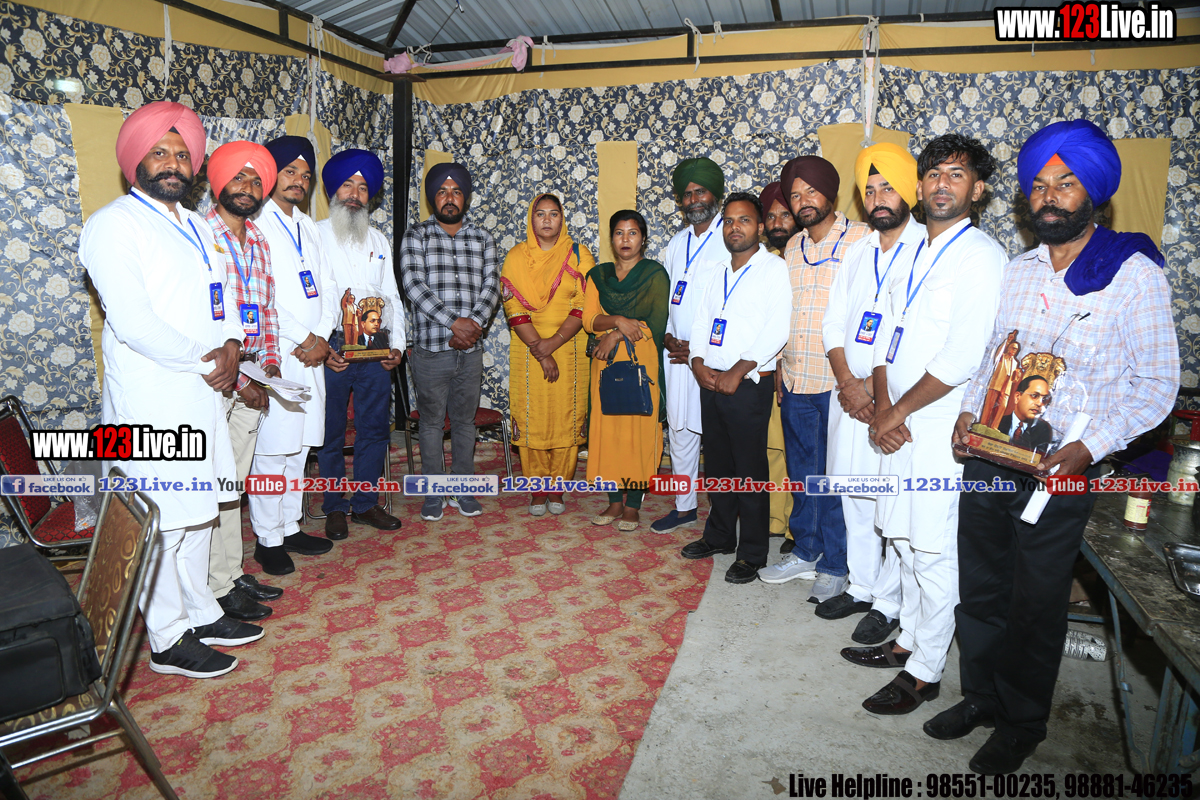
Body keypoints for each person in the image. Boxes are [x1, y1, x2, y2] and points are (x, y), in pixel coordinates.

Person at [930, 119, 1179, 774]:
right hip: (991, 459)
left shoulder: (1133, 275)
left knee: (1035, 605)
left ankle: (1020, 722)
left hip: (1060, 471)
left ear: (1092, 192)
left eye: (1065, 184)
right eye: (1039, 185)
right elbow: (995, 356)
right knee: (981, 589)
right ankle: (980, 697)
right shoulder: (1019, 271)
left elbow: (1158, 385)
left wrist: (1089, 447)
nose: (1049, 196)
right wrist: (967, 412)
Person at [81, 101, 263, 678]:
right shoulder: (114, 224)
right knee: (162, 518)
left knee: (198, 511)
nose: (172, 163)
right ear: (135, 159)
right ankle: (166, 638)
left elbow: (223, 297)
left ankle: (200, 612)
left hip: (202, 390)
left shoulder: (196, 225)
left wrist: (231, 343)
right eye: (159, 152)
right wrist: (209, 360)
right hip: (152, 398)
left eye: (182, 154)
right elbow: (134, 322)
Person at [839, 133, 1007, 716]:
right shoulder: (911, 252)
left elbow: (963, 356)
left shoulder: (980, 256)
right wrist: (884, 407)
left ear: (978, 190)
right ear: (919, 186)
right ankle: (908, 639)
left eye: (956, 175)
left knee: (933, 550)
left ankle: (926, 672)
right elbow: (883, 339)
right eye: (934, 174)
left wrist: (898, 411)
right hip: (899, 421)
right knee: (904, 541)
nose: (942, 184)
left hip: (938, 428)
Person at [812, 143, 925, 641]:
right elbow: (832, 322)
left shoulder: (925, 249)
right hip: (851, 398)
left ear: (911, 192)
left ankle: (891, 602)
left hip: (899, 402)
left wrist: (877, 398)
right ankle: (861, 586)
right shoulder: (857, 253)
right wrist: (848, 384)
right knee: (854, 496)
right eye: (871, 190)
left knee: (893, 506)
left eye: (888, 188)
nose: (879, 198)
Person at [760, 155, 870, 600]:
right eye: (796, 194)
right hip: (796, 376)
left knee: (836, 478)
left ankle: (837, 564)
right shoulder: (791, 247)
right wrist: (778, 366)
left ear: (831, 193)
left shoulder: (863, 239)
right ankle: (806, 551)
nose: (803, 201)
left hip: (839, 382)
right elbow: (785, 311)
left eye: (811, 191)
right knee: (803, 473)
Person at [680, 193, 792, 582]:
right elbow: (700, 323)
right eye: (728, 221)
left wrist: (740, 369)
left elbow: (778, 327)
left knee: (749, 469)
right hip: (710, 380)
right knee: (718, 465)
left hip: (747, 383)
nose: (734, 227)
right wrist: (697, 363)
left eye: (743, 220)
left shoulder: (773, 269)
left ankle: (753, 552)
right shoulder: (716, 272)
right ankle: (720, 536)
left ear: (759, 227)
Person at [203, 140, 289, 622]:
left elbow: (267, 309)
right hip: (219, 379)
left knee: (232, 484)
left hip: (254, 373)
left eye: (257, 180)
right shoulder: (200, 235)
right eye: (239, 176)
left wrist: (270, 366)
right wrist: (239, 381)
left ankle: (231, 573)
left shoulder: (257, 238)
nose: (248, 187)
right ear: (218, 181)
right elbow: (204, 318)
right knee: (216, 485)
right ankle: (216, 586)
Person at [248, 134, 339, 577]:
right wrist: (304, 337)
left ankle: (288, 527)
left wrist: (321, 335)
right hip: (277, 354)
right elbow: (258, 295)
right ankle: (267, 540)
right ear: (272, 174)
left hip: (311, 355)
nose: (298, 181)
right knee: (272, 450)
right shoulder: (255, 223)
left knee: (300, 446)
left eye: (305, 175)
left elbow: (329, 286)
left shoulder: (309, 226)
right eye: (290, 172)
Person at [400, 162, 501, 521]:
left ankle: (463, 489)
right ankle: (433, 492)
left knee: (464, 423)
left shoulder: (483, 238)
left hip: (470, 351)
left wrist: (473, 325)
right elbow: (413, 285)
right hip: (430, 349)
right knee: (430, 424)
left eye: (456, 191)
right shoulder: (416, 235)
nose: (449, 197)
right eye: (442, 191)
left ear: (465, 197)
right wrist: (455, 324)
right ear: (432, 197)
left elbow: (492, 285)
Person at [316, 149, 406, 535]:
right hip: (332, 347)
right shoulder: (314, 235)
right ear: (333, 190)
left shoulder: (379, 239)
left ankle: (366, 503)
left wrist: (398, 344)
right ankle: (335, 506)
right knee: (330, 431)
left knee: (374, 428)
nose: (355, 194)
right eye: (348, 185)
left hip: (374, 347)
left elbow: (392, 296)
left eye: (363, 188)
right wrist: (322, 345)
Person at [501, 193, 594, 515]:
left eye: (554, 214)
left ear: (562, 219)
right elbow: (512, 306)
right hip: (528, 348)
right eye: (540, 214)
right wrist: (542, 352)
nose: (547, 220)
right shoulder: (516, 257)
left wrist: (553, 343)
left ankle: (558, 489)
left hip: (570, 349)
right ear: (531, 219)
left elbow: (585, 304)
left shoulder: (578, 254)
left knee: (566, 417)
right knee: (533, 417)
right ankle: (537, 489)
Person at [652, 158, 728, 534]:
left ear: (716, 195)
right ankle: (685, 507)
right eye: (687, 194)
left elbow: (732, 304)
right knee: (680, 429)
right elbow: (668, 298)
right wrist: (667, 335)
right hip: (676, 356)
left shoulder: (730, 238)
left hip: (712, 358)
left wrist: (699, 347)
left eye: (701, 191)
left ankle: (722, 514)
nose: (694, 199)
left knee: (715, 436)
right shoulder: (677, 243)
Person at [584, 210, 670, 531]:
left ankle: (633, 504)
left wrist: (616, 334)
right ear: (611, 238)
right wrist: (618, 321)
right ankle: (614, 502)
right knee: (608, 432)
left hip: (640, 364)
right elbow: (588, 320)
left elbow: (655, 322)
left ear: (643, 239)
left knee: (638, 432)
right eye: (619, 233)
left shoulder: (655, 275)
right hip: (605, 364)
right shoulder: (599, 275)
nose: (625, 239)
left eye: (632, 233)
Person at [759, 181, 796, 543]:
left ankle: (795, 527)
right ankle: (774, 518)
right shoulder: (766, 262)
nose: (777, 223)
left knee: (798, 450)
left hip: (805, 369)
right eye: (770, 217)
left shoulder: (808, 257)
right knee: (772, 447)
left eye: (785, 215)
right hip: (768, 367)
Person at [997, 375, 1053, 449]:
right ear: (1017, 397)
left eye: (1044, 399)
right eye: (1034, 396)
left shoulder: (1043, 430)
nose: (1040, 403)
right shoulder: (998, 422)